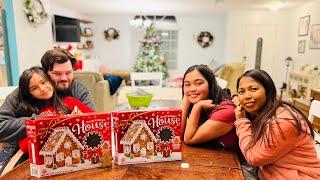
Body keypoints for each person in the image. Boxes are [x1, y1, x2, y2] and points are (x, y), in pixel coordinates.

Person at [0, 48, 94, 173]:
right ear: (45, 72)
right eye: (57, 74)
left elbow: (94, 120)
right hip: (19, 150)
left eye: (68, 72)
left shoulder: (77, 90)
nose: (64, 78)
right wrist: (36, 122)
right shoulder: (22, 93)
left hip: (69, 149)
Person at [234, 69, 320, 179]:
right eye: (242, 91)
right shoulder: (266, 110)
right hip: (268, 172)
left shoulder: (283, 121)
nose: (247, 96)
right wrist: (237, 99)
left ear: (268, 90)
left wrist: (241, 121)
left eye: (253, 89)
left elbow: (253, 157)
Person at [181, 64, 238, 149]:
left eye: (198, 83)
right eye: (187, 84)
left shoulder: (226, 111)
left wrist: (197, 107)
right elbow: (177, 134)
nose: (192, 88)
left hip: (237, 160)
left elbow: (189, 139)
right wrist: (187, 95)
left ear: (211, 84)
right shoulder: (204, 102)